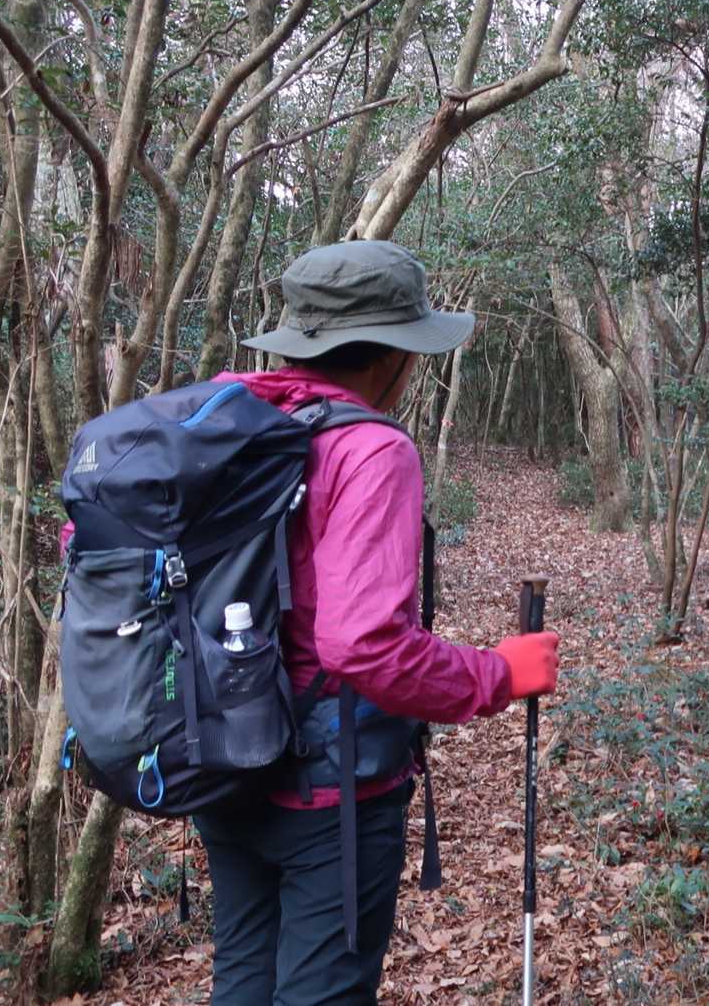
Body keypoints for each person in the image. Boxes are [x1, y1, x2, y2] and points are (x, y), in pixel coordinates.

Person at [196, 239, 559, 1005]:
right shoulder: (368, 449)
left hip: (224, 760)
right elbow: (362, 644)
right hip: (331, 794)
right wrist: (497, 674)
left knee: (243, 981)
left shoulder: (228, 422)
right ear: (393, 355)